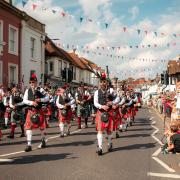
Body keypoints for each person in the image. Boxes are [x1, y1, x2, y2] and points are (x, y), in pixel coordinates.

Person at [23, 74, 49, 152]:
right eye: (30, 82)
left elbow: (47, 97)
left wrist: (40, 100)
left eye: (33, 82)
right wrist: (32, 103)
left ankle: (43, 140)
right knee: (28, 127)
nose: (31, 83)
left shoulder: (41, 89)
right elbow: (24, 100)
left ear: (36, 82)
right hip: (31, 111)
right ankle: (29, 145)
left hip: (39, 111)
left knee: (42, 127)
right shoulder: (27, 90)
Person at [94, 73, 115, 155]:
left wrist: (111, 102)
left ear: (107, 82)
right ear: (100, 83)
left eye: (104, 82)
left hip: (109, 112)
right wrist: (102, 106)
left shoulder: (111, 91)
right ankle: (100, 147)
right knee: (100, 130)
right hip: (101, 112)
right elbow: (95, 103)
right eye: (102, 82)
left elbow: (118, 99)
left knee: (109, 131)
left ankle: (109, 144)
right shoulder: (96, 92)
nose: (103, 83)